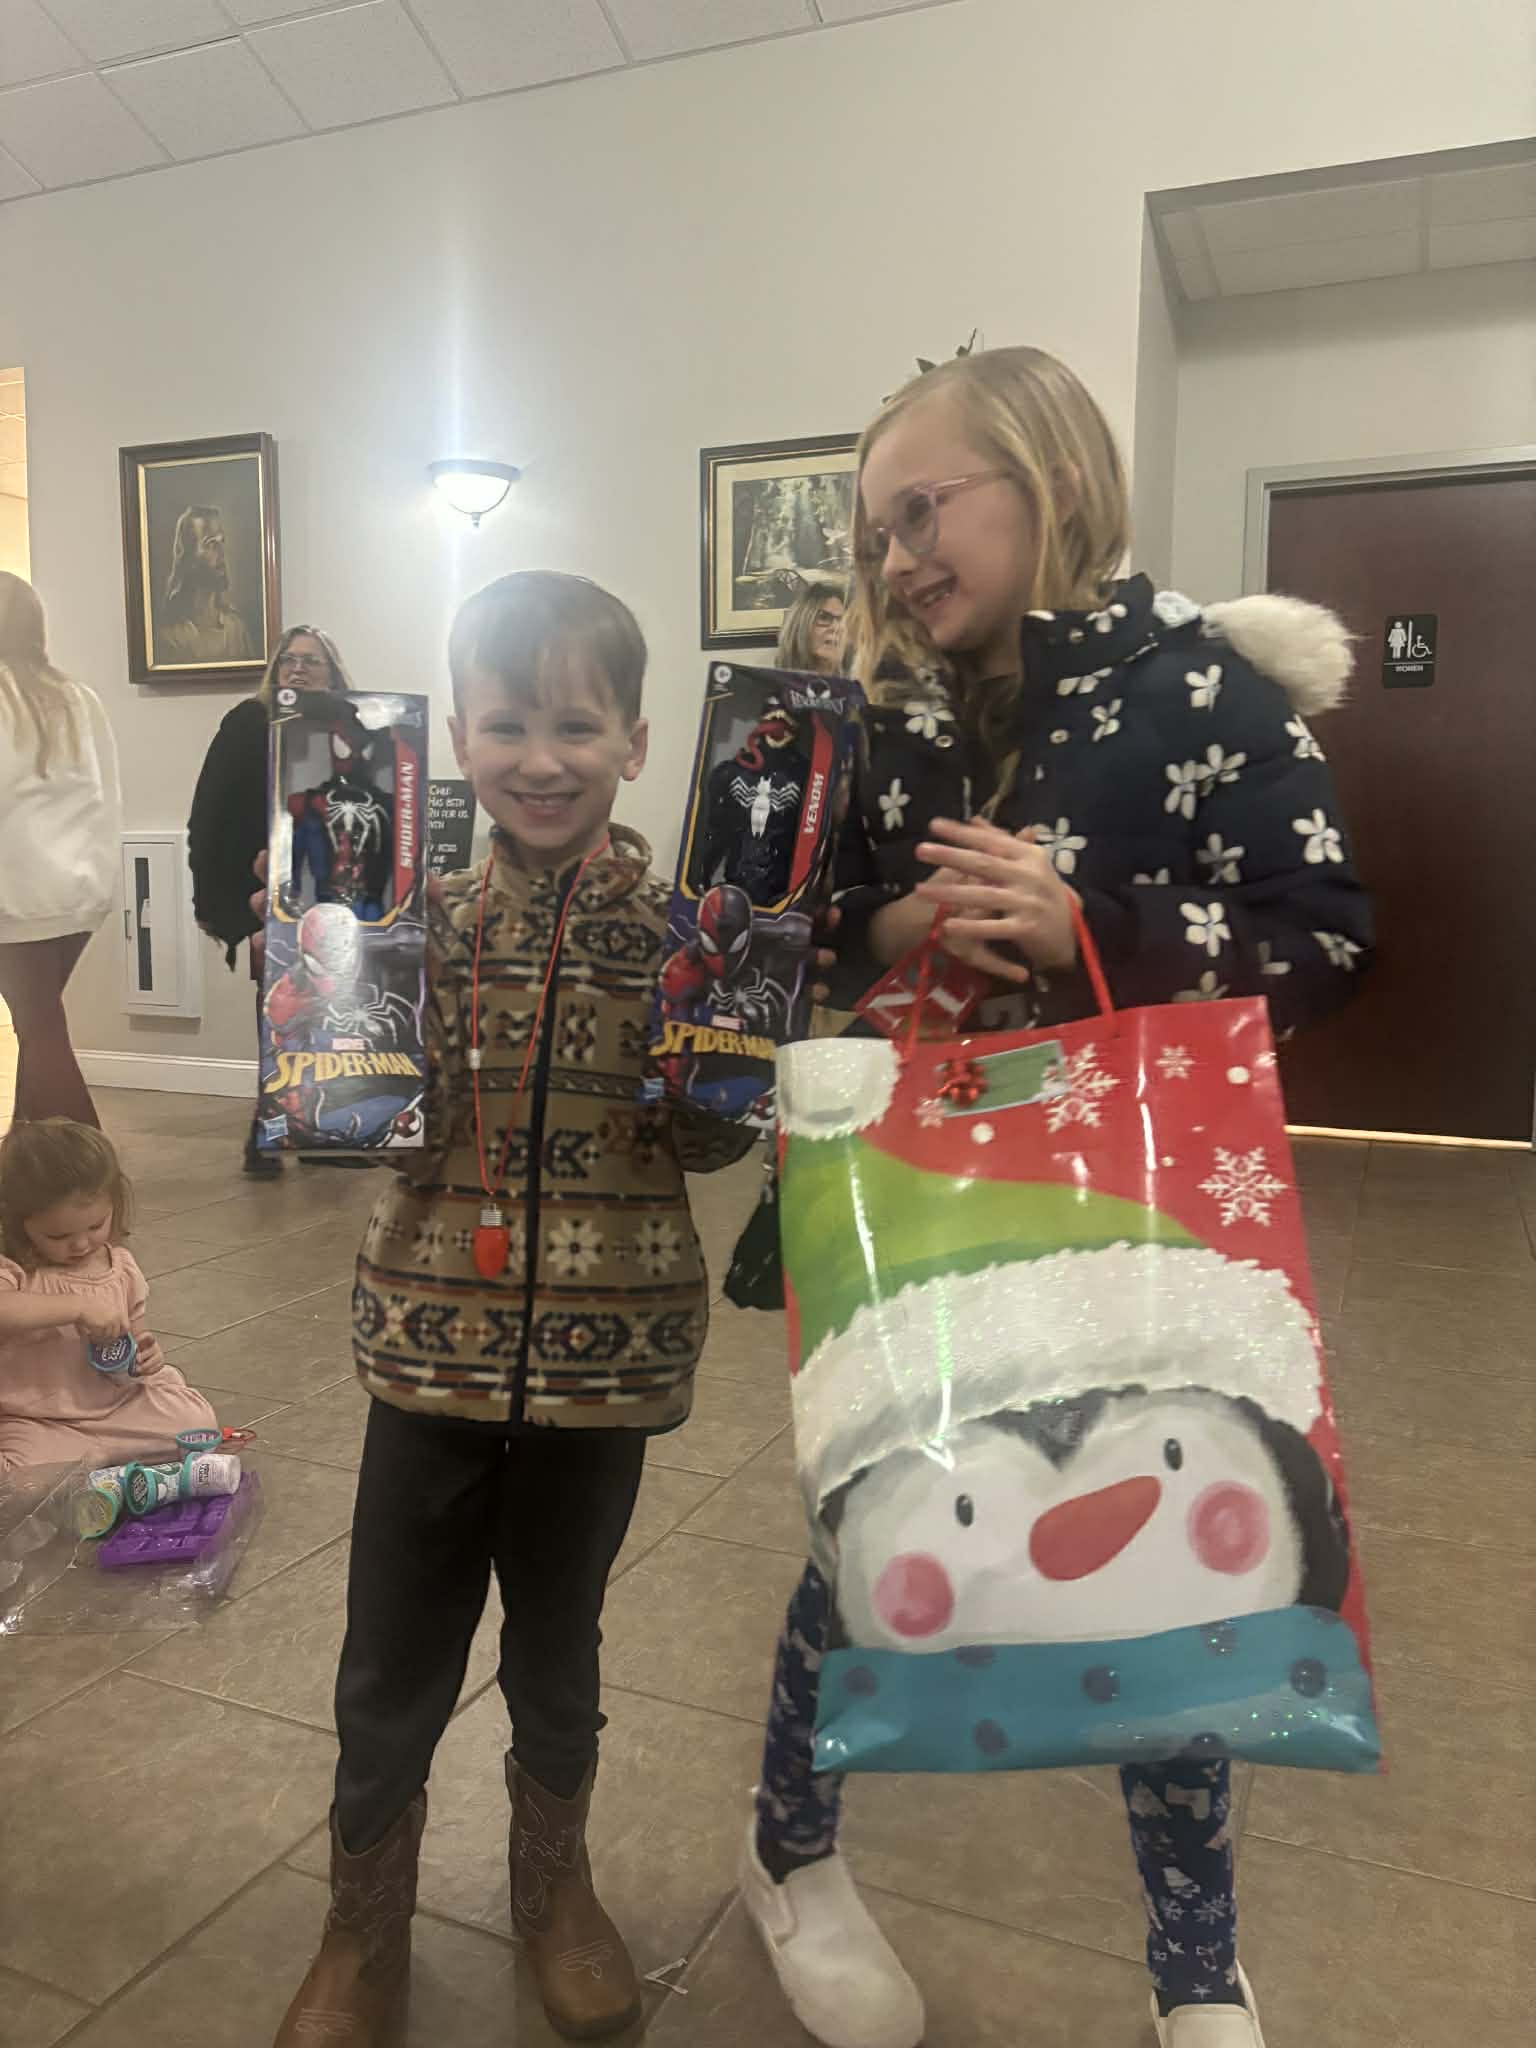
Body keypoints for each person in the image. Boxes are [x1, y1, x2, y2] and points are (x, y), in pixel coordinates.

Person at [738, 345, 1373, 2048]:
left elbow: (1326, 937)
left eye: (921, 511)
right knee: (866, 1527)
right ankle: (789, 1849)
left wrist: (1094, 928)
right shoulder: (869, 724)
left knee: (1167, 1559)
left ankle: (1196, 1955)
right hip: (914, 1212)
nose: (894, 560)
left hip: (1136, 1210)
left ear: (1056, 483)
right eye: (873, 534)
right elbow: (775, 931)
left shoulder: (1209, 693)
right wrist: (898, 927)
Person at [271, 571, 753, 2047]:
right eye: (507, 725)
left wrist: (735, 1045)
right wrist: (324, 1015)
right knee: (389, 1660)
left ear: (637, 742)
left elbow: (712, 1141)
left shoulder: (689, 932)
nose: (542, 758)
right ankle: (363, 1924)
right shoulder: (402, 923)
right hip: (428, 1348)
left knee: (559, 1644)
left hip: (609, 1361)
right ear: (456, 742)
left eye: (577, 726)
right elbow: (348, 1118)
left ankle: (555, 1888)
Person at [187, 624, 355, 1176]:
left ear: (333, 674)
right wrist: (218, 903)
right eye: (288, 659)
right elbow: (209, 815)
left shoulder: (353, 727)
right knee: (281, 1010)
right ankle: (269, 1133)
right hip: (268, 889)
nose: (298, 669)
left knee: (331, 1008)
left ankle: (319, 1130)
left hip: (337, 891)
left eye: (311, 661)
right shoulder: (247, 723)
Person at [0, 1119, 217, 1472]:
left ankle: (89, 1463)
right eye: (58, 1236)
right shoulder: (14, 1270)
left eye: (95, 1225)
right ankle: (95, 1462)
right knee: (17, 1476)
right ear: (18, 1223)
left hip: (116, 1405)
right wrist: (75, 1306)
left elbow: (136, 1336)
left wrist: (147, 1356)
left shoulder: (120, 1267)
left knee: (195, 1422)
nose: (81, 1244)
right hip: (38, 1420)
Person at [0, 572, 121, 1129]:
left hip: (14, 897)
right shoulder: (78, 699)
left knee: (40, 1029)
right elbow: (105, 795)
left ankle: (88, 1171)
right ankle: (24, 1159)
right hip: (77, 894)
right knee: (39, 1025)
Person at [156, 506, 254, 664]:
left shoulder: (236, 629)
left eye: (221, 542)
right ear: (189, 558)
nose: (222, 553)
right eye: (211, 544)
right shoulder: (171, 636)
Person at [776, 579, 847, 674]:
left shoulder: (858, 682)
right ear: (800, 626)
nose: (837, 627)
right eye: (824, 617)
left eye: (843, 620)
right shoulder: (773, 682)